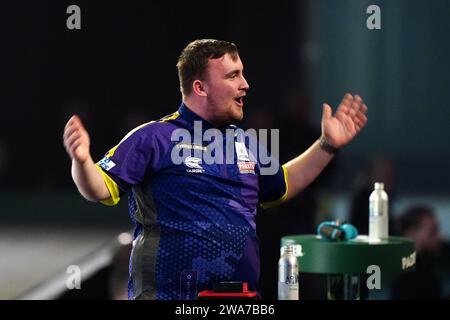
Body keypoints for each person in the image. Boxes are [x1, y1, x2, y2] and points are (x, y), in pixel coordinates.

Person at [62, 39, 368, 300]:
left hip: (241, 299)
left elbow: (283, 184)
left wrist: (327, 144)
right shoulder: (154, 137)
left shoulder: (247, 143)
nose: (245, 85)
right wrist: (82, 161)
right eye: (233, 76)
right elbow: (98, 187)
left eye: (243, 75)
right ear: (200, 87)